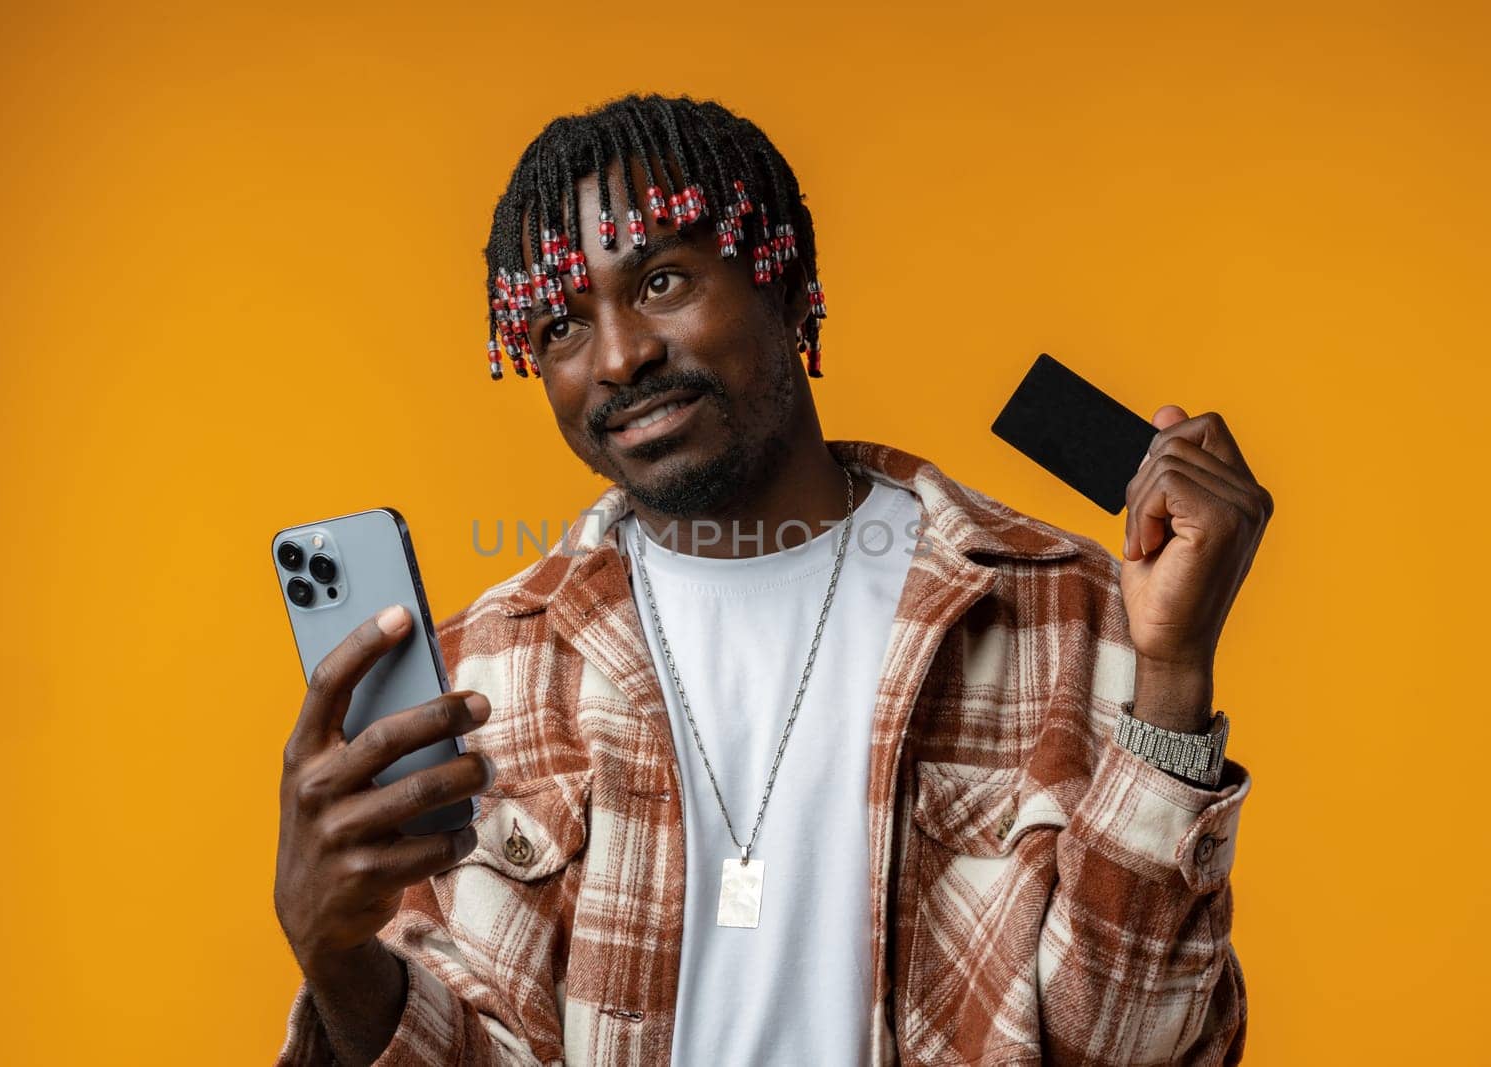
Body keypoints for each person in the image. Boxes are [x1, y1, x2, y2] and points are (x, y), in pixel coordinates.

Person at [273, 93, 1272, 1066]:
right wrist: (337, 958)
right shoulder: (482, 673)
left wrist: (1175, 668)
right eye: (560, 326)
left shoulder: (1066, 610)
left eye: (661, 281)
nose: (618, 356)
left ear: (789, 285)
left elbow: (1133, 1049)